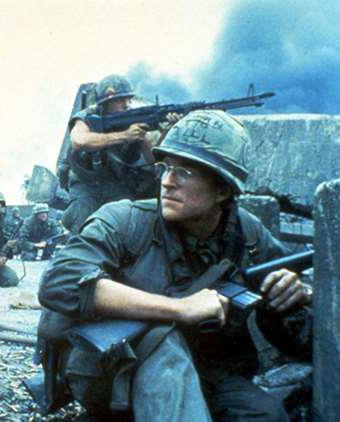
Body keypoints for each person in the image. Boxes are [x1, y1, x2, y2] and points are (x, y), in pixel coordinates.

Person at [38, 110, 312, 421]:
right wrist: (179, 309)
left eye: (186, 172)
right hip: (118, 368)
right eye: (167, 168)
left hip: (208, 369)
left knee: (265, 415)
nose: (167, 182)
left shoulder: (247, 233)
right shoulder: (124, 220)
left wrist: (298, 291)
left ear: (222, 189)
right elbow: (60, 281)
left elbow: (294, 289)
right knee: (165, 345)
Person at [61, 74, 179, 233]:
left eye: (128, 99)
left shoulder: (133, 119)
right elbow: (79, 141)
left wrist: (167, 132)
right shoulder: (87, 116)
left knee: (127, 221)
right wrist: (125, 135)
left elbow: (153, 159)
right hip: (86, 183)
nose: (127, 104)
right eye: (121, 100)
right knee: (82, 218)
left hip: (116, 183)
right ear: (106, 101)